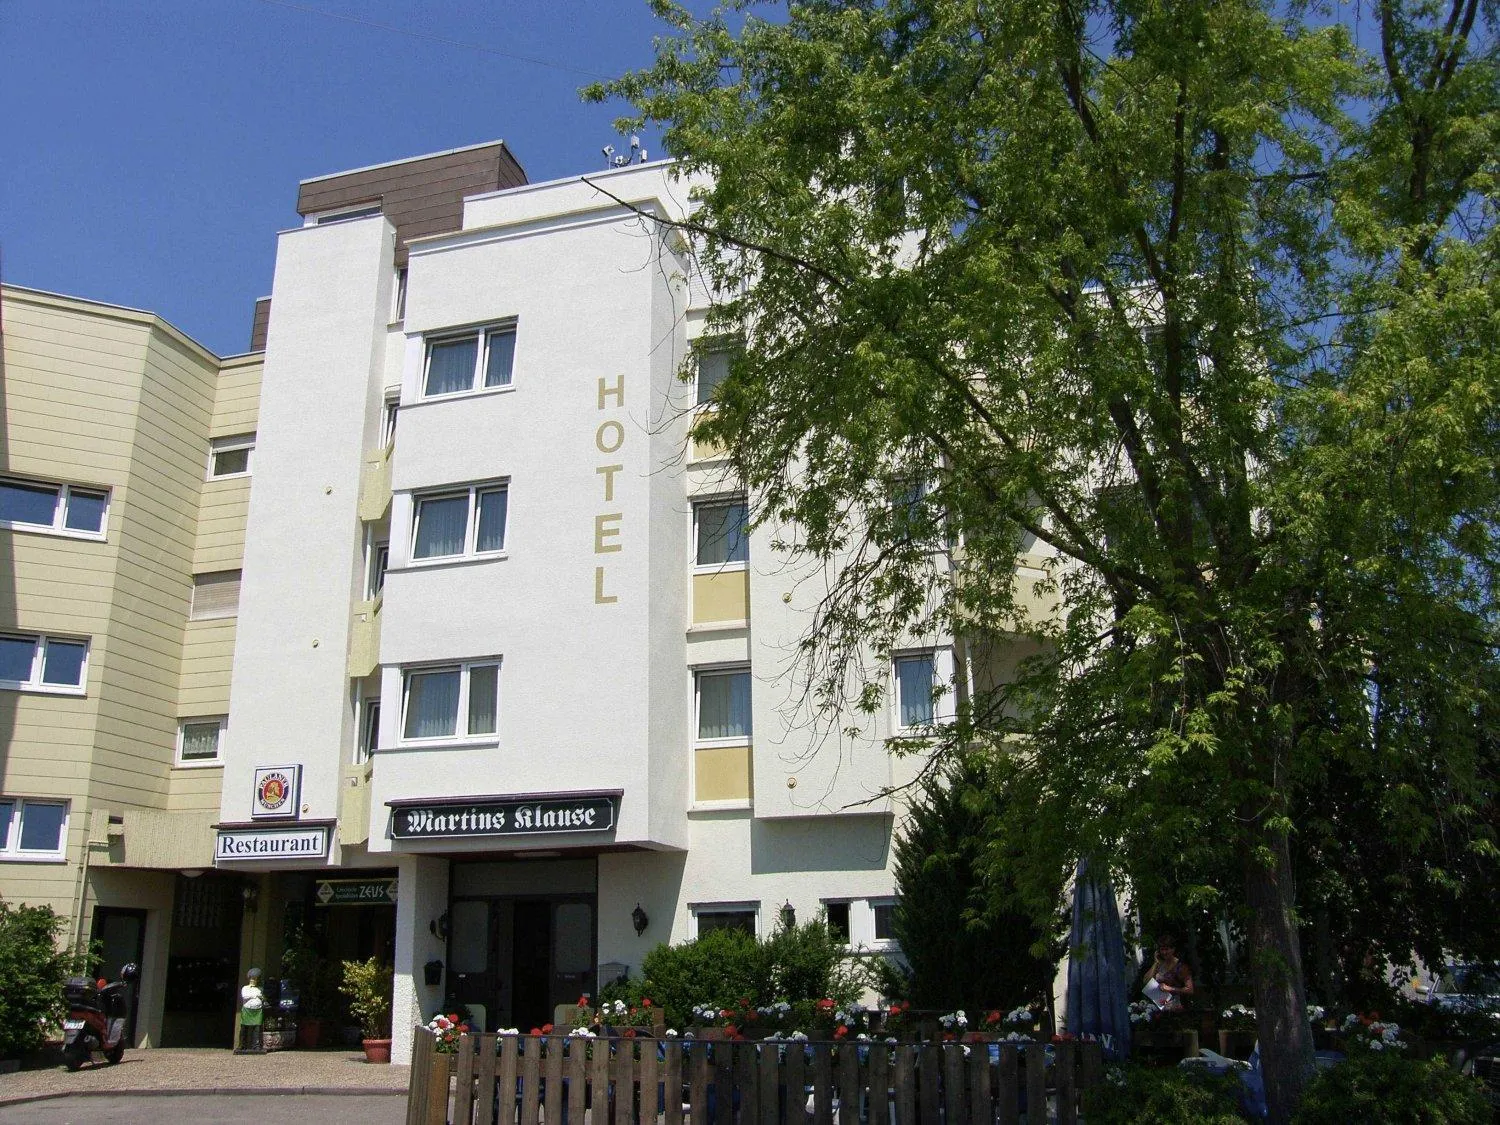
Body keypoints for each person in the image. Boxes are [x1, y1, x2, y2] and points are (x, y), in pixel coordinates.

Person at [1149, 935, 1195, 1011]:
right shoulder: (1159, 965)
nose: (1164, 952)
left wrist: (1170, 988)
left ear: (1173, 949)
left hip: (1176, 1008)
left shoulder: (1181, 967)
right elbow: (1146, 980)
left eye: (1166, 949)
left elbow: (1190, 990)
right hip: (1160, 1007)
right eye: (1162, 950)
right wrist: (1155, 963)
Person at [236, 967, 265, 1054]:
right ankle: (242, 1045)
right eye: (252, 978)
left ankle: (256, 1046)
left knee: (257, 1028)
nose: (253, 980)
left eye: (255, 979)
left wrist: (258, 996)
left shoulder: (260, 989)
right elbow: (245, 996)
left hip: (257, 1011)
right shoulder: (245, 988)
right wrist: (254, 996)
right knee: (244, 1027)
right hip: (247, 1010)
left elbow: (261, 996)